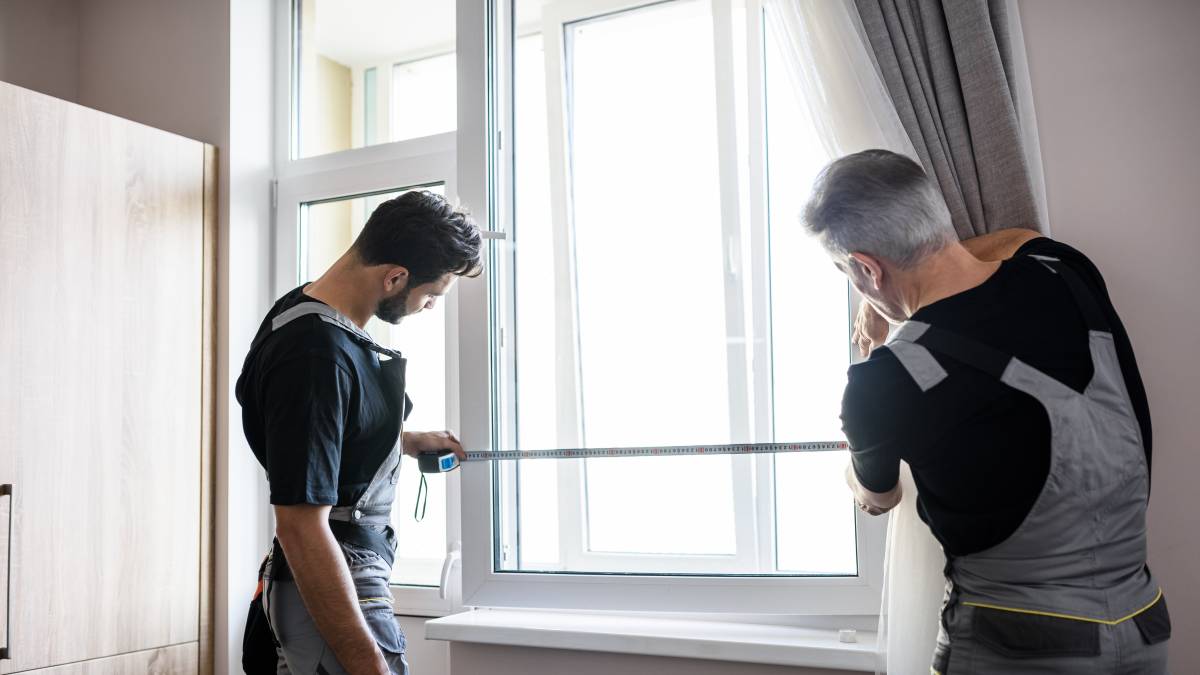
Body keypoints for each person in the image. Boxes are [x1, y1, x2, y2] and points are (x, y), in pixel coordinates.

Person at [802, 150, 1170, 673]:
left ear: (867, 268)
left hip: (1015, 643)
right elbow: (1016, 238)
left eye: (849, 273)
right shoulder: (1065, 271)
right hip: (1144, 626)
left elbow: (879, 497)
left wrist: (856, 448)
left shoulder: (883, 379)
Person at [236, 190, 482, 675]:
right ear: (394, 276)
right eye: (431, 294)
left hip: (341, 566)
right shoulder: (314, 354)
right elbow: (302, 526)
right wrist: (367, 662)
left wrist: (404, 441)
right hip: (335, 570)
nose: (430, 306)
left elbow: (320, 435)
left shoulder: (309, 312)